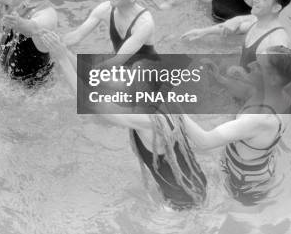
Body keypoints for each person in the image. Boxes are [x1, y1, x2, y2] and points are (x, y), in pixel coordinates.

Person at [41, 31, 208, 210]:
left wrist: (63, 62)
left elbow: (91, 104)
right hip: (195, 184)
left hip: (182, 202)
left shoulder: (148, 120)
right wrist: (63, 50)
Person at [182, 46, 291, 206]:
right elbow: (248, 93)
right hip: (258, 169)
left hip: (245, 185)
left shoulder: (258, 119)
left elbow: (205, 142)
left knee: (226, 209)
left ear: (273, 80)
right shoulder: (282, 97)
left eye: (258, 66)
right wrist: (220, 79)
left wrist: (170, 107)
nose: (250, 65)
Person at [182, 0, 291, 73]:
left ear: (276, 8)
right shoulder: (257, 22)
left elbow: (271, 86)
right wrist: (202, 32)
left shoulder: (274, 43)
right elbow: (233, 28)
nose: (255, 0)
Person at [63, 0, 158, 67]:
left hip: (146, 72)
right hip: (122, 66)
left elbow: (118, 60)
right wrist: (54, 42)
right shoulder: (105, 9)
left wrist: (62, 52)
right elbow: (76, 35)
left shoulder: (144, 24)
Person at [0, 0, 59, 87]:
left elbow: (33, 28)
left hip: (31, 87)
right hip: (4, 76)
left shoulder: (49, 14)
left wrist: (18, 22)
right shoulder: (17, 1)